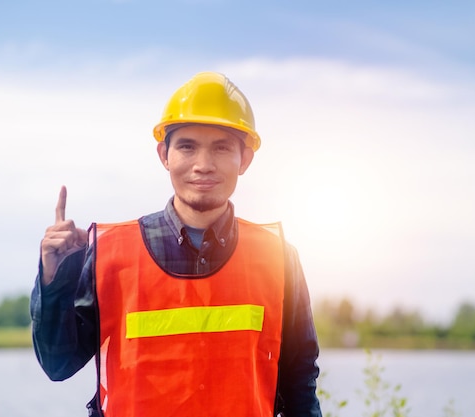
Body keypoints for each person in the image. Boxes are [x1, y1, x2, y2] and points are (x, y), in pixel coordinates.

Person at [30, 71, 323, 417]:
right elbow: (57, 364)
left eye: (221, 147)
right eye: (187, 146)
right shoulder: (110, 256)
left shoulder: (278, 259)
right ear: (164, 155)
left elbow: (299, 381)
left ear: (244, 159)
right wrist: (55, 279)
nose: (203, 164)